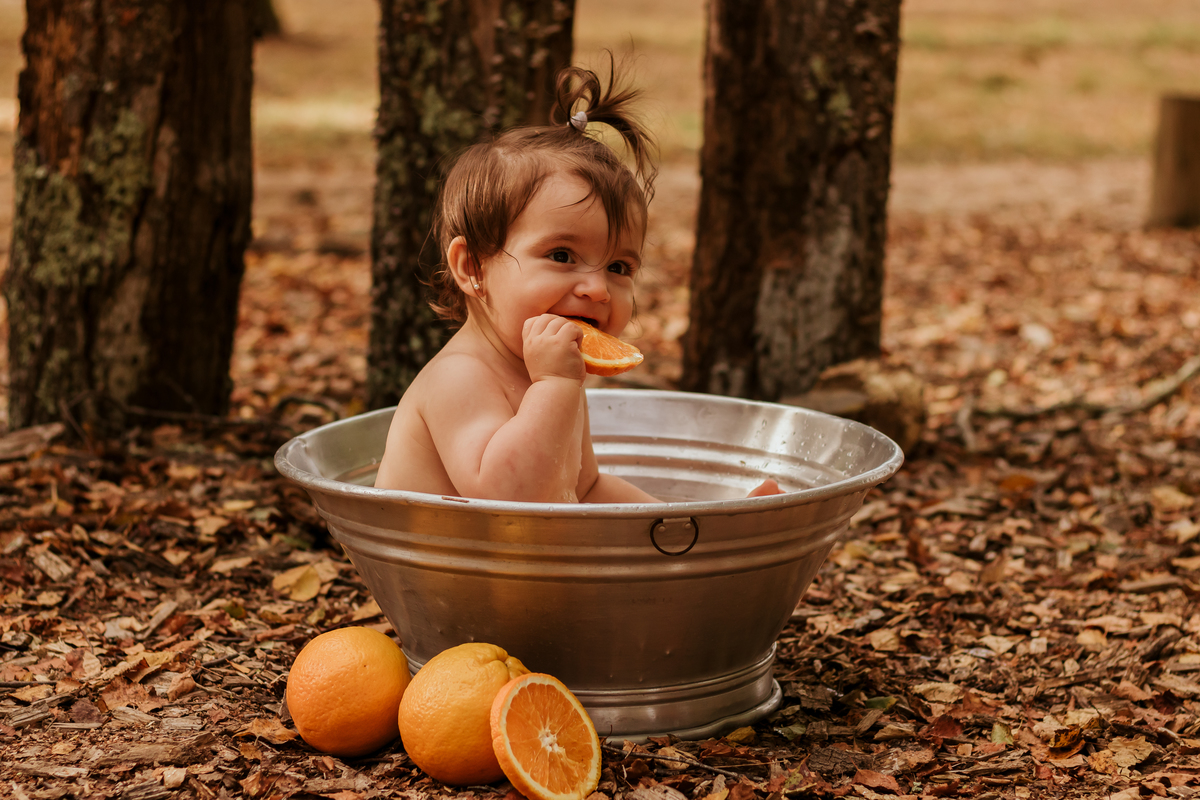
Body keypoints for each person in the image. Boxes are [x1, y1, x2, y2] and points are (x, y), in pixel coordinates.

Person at [374, 65, 781, 503]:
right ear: (472, 267)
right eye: (562, 256)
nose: (598, 289)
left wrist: (687, 527)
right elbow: (511, 499)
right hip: (433, 551)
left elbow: (585, 490)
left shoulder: (554, 373)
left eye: (619, 267)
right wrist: (555, 386)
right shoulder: (461, 377)